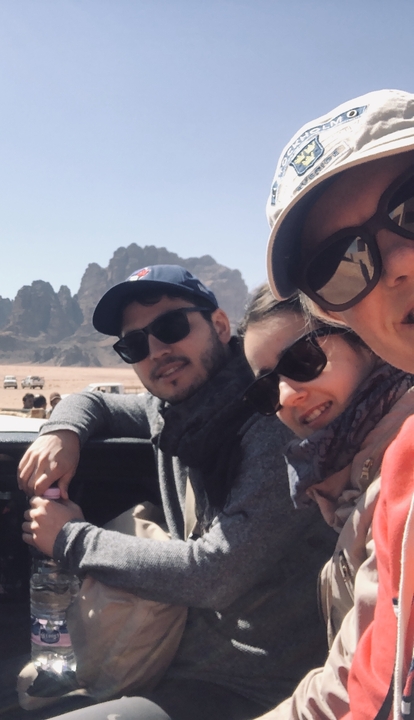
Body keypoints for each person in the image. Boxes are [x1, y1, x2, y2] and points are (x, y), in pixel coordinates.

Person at [18, 265, 335, 720]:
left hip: (258, 688)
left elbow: (215, 572)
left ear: (220, 326)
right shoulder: (172, 412)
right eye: (135, 345)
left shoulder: (274, 423)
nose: (157, 351)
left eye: (171, 327)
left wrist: (70, 538)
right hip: (174, 662)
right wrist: (62, 431)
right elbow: (97, 402)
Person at [264, 89, 414, 720]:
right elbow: (364, 688)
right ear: (342, 312)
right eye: (343, 266)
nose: (401, 261)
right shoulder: (401, 477)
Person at [239, 284, 414, 720]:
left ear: (365, 341)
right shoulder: (351, 481)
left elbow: (361, 689)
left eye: (303, 361)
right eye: (265, 391)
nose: (285, 396)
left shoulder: (395, 483)